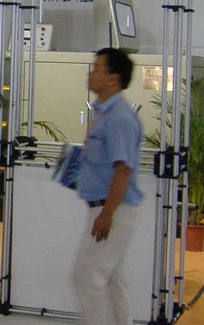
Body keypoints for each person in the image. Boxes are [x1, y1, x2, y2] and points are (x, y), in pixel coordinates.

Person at [73, 47, 143, 325]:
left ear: (113, 78)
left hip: (113, 210)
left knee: (87, 275)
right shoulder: (103, 112)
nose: (90, 74)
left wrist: (107, 214)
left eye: (97, 69)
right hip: (106, 209)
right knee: (114, 282)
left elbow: (123, 169)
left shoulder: (119, 117)